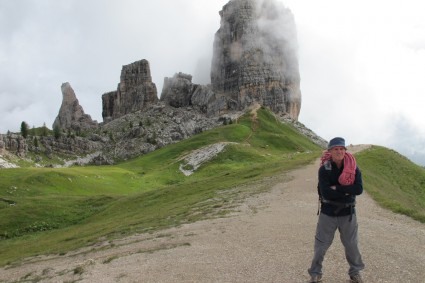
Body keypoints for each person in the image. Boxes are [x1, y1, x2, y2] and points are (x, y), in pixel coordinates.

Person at [308, 137, 365, 283]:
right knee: (321, 245)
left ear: (345, 151)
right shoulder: (324, 169)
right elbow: (326, 193)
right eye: (335, 149)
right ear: (330, 152)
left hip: (348, 214)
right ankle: (315, 273)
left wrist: (338, 188)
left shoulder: (354, 168)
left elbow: (358, 189)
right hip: (328, 213)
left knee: (351, 245)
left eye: (341, 149)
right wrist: (346, 191)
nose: (339, 151)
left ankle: (355, 273)